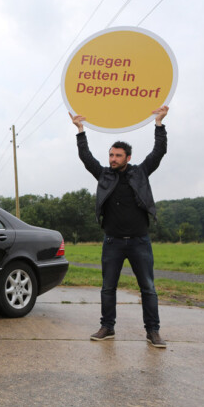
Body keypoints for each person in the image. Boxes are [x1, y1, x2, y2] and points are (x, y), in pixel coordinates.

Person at [70, 106, 169, 348]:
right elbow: (86, 158)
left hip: (139, 241)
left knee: (148, 288)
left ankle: (153, 331)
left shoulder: (141, 173)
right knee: (108, 287)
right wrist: (80, 130)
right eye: (111, 155)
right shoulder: (104, 175)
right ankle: (107, 327)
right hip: (112, 241)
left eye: (118, 155)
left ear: (128, 158)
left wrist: (159, 124)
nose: (112, 159)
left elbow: (159, 152)